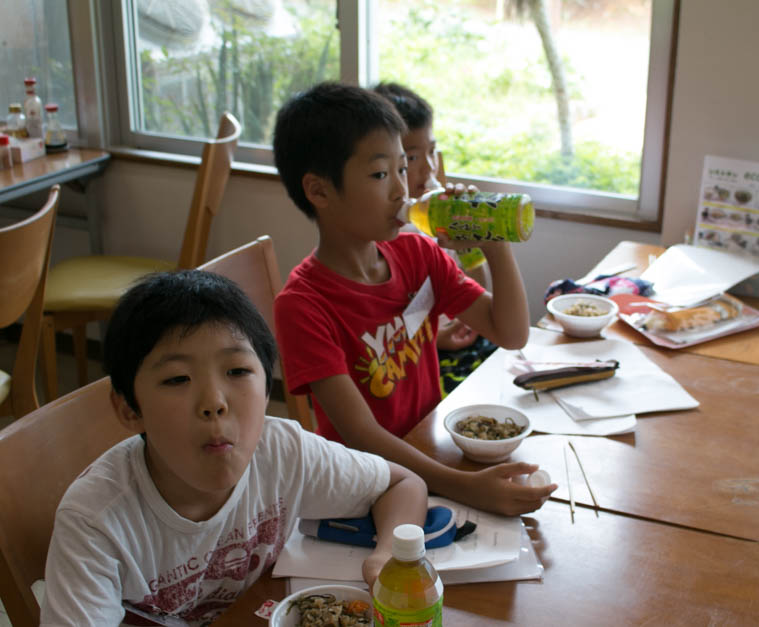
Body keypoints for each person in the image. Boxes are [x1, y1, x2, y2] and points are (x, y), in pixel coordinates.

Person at [40, 271, 427, 626]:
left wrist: (388, 558)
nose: (214, 402)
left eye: (238, 371)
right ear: (129, 409)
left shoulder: (282, 452)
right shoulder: (96, 521)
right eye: (177, 379)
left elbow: (401, 485)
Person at [272, 82, 556, 516]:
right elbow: (360, 434)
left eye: (403, 170)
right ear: (319, 191)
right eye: (381, 174)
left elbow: (512, 332)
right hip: (364, 485)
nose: (401, 191)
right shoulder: (303, 304)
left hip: (428, 450)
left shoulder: (418, 254)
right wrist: (465, 487)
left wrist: (494, 241)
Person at [372, 82, 500, 396]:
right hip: (413, 363)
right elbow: (387, 331)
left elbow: (477, 286)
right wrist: (436, 336)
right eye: (412, 158)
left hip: (453, 335)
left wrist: (469, 243)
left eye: (432, 151)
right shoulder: (382, 233)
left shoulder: (428, 218)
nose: (429, 168)